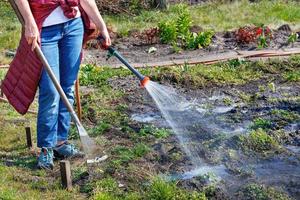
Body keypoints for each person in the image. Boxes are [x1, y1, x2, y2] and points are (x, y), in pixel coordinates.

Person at [14, 0, 111, 169]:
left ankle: (60, 142)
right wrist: (29, 21)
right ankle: (46, 148)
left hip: (73, 26)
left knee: (67, 88)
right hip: (44, 29)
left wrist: (101, 25)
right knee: (51, 90)